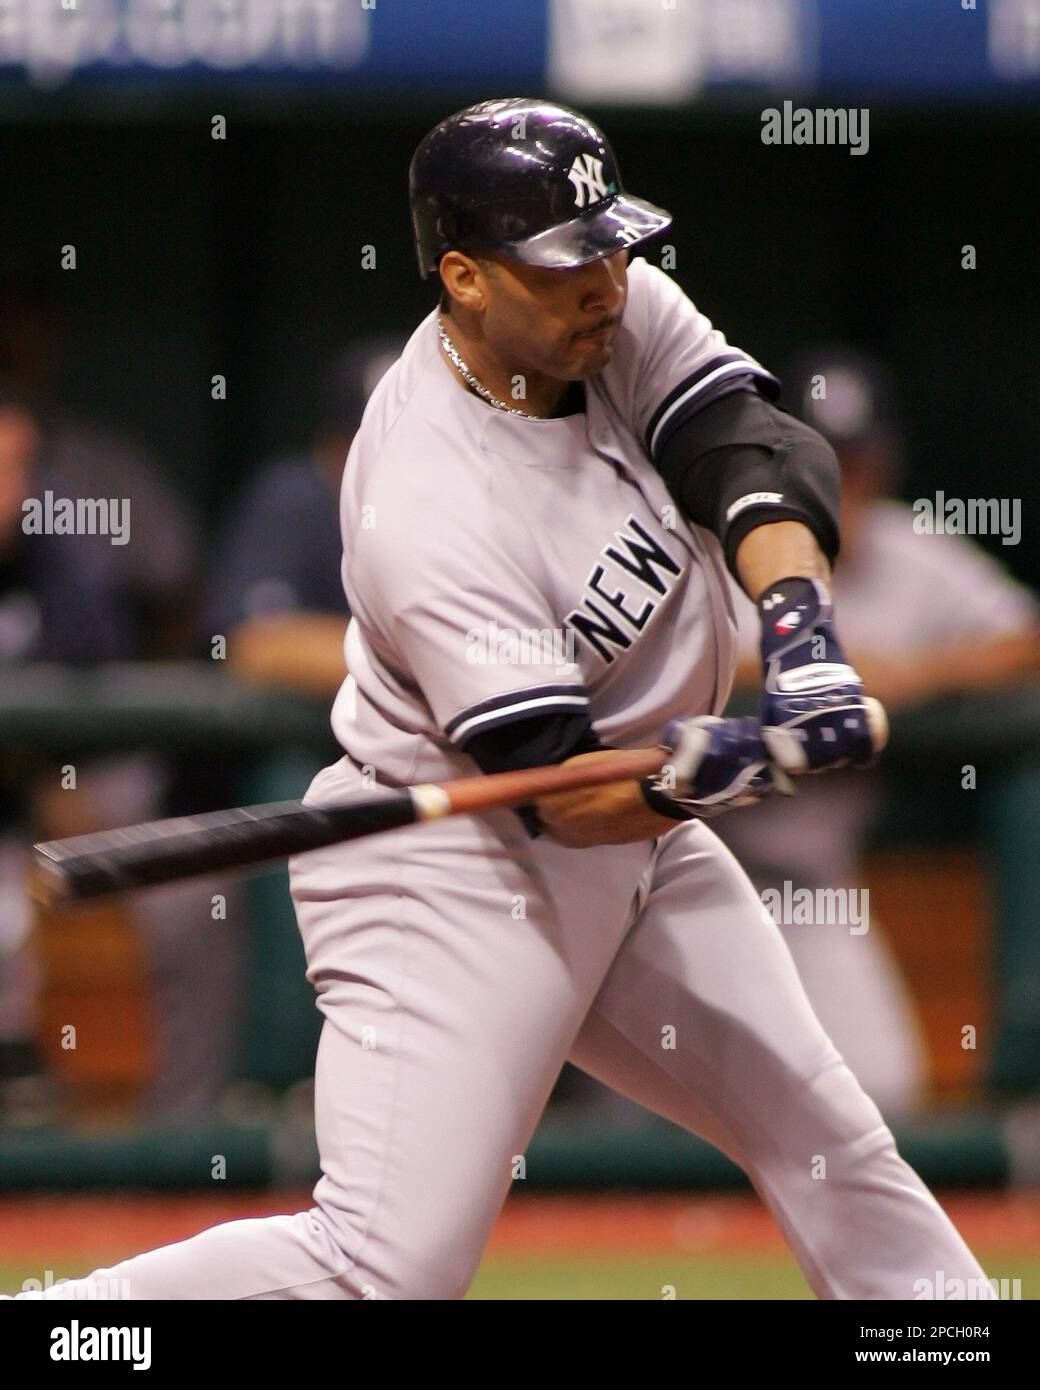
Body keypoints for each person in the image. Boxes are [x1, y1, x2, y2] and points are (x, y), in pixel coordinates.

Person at [8, 99, 993, 1300]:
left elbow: (750, 447)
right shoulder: (426, 499)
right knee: (383, 1267)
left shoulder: (603, 315)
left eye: (613, 248)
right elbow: (564, 791)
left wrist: (798, 629)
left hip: (638, 843)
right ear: (464, 278)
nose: (606, 283)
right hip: (460, 872)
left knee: (832, 1142)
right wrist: (734, 757)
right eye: (567, 262)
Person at [716, 347, 1040, 1113]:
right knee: (634, 1120)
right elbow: (646, 655)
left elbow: (1025, 639)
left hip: (812, 888)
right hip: (681, 871)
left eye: (859, 463)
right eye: (827, 461)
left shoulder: (907, 553)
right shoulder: (727, 534)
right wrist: (809, 668)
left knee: (882, 1092)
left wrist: (918, 673)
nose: (845, 487)